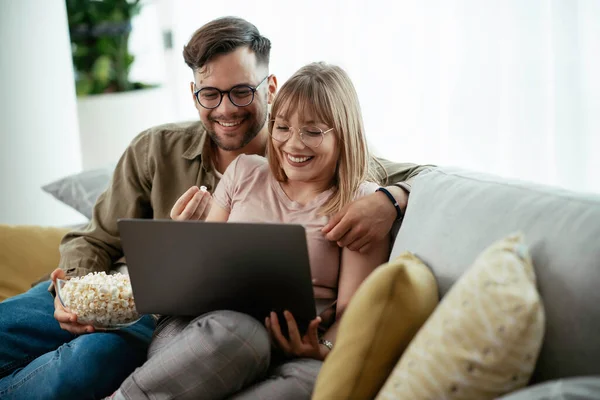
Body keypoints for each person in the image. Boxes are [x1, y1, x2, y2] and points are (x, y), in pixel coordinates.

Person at [0, 17, 430, 400]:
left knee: (82, 365)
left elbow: (421, 175)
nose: (226, 109)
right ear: (194, 95)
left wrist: (393, 199)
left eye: (242, 92)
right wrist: (75, 293)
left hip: (173, 321)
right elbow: (94, 238)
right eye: (210, 94)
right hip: (113, 290)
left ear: (271, 88)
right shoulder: (156, 148)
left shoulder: (317, 159)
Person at [108, 61, 391, 400]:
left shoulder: (361, 203)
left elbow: (350, 310)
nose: (293, 145)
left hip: (295, 346)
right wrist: (182, 242)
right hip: (203, 330)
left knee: (313, 384)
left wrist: (322, 347)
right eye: (282, 127)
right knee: (239, 334)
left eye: (312, 132)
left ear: (344, 133)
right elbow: (203, 271)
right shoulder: (245, 171)